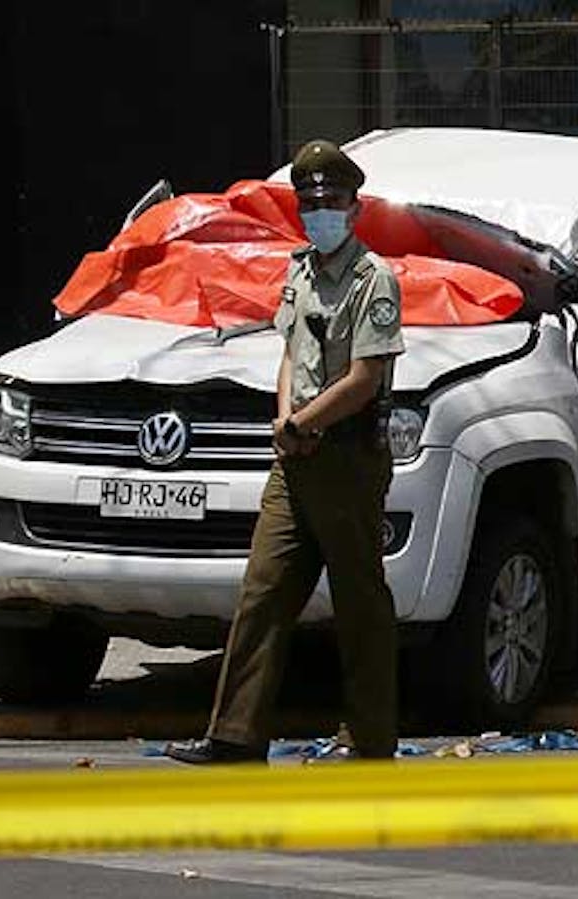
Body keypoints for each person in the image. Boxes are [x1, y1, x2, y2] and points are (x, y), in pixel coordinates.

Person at [167, 139, 406, 764]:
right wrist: (285, 420)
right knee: (263, 593)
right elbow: (290, 356)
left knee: (359, 601)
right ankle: (235, 735)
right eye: (310, 202)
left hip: (346, 459)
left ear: (354, 208)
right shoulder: (299, 271)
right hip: (294, 456)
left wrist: (305, 421)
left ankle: (371, 737)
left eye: (331, 201)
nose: (320, 211)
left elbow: (365, 378)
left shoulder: (371, 279)